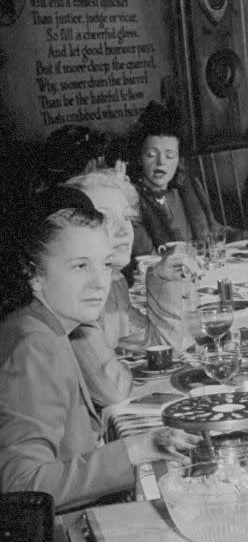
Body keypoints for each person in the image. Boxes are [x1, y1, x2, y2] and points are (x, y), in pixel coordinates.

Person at [0, 197, 196, 513]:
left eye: (105, 264)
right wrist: (133, 450)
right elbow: (21, 486)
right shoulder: (34, 344)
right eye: (80, 266)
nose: (100, 282)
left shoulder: (44, 324)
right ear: (33, 274)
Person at [65, 167, 201, 405]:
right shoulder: (70, 295)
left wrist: (162, 279)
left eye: (127, 217)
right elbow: (110, 389)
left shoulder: (113, 284)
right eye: (105, 217)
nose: (123, 229)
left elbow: (165, 348)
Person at [127, 103, 226, 258]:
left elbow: (216, 232)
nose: (161, 163)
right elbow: (143, 254)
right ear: (140, 158)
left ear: (179, 159)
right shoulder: (131, 199)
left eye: (170, 156)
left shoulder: (189, 189)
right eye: (152, 155)